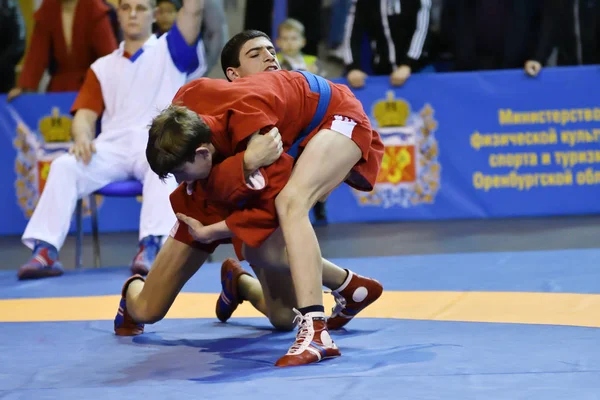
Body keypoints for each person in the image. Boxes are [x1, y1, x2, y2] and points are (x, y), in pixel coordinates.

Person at [115, 55, 384, 367]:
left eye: (182, 174)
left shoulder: (261, 134)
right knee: (147, 310)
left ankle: (316, 331)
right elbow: (204, 173)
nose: (181, 182)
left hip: (334, 116)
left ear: (203, 153)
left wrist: (213, 228)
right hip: (229, 179)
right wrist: (243, 165)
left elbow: (269, 213)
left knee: (289, 207)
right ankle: (239, 283)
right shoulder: (181, 117)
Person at [17, 0, 206, 280]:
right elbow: (84, 116)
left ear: (154, 14)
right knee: (63, 166)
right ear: (116, 13)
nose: (133, 14)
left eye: (141, 8)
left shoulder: (171, 49)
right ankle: (45, 251)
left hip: (154, 142)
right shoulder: (102, 67)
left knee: (165, 164)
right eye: (126, 7)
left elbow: (193, 10)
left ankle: (151, 247)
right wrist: (81, 137)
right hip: (113, 146)